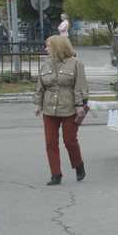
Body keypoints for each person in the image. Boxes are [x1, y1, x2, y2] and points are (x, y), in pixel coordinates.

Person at [34, 34, 88, 186]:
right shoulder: (45, 64)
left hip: (69, 107)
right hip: (49, 108)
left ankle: (78, 165)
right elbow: (40, 86)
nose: (46, 48)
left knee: (69, 140)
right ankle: (55, 174)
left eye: (48, 45)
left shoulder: (75, 63)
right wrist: (38, 104)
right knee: (50, 142)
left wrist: (79, 106)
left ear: (57, 47)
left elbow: (80, 86)